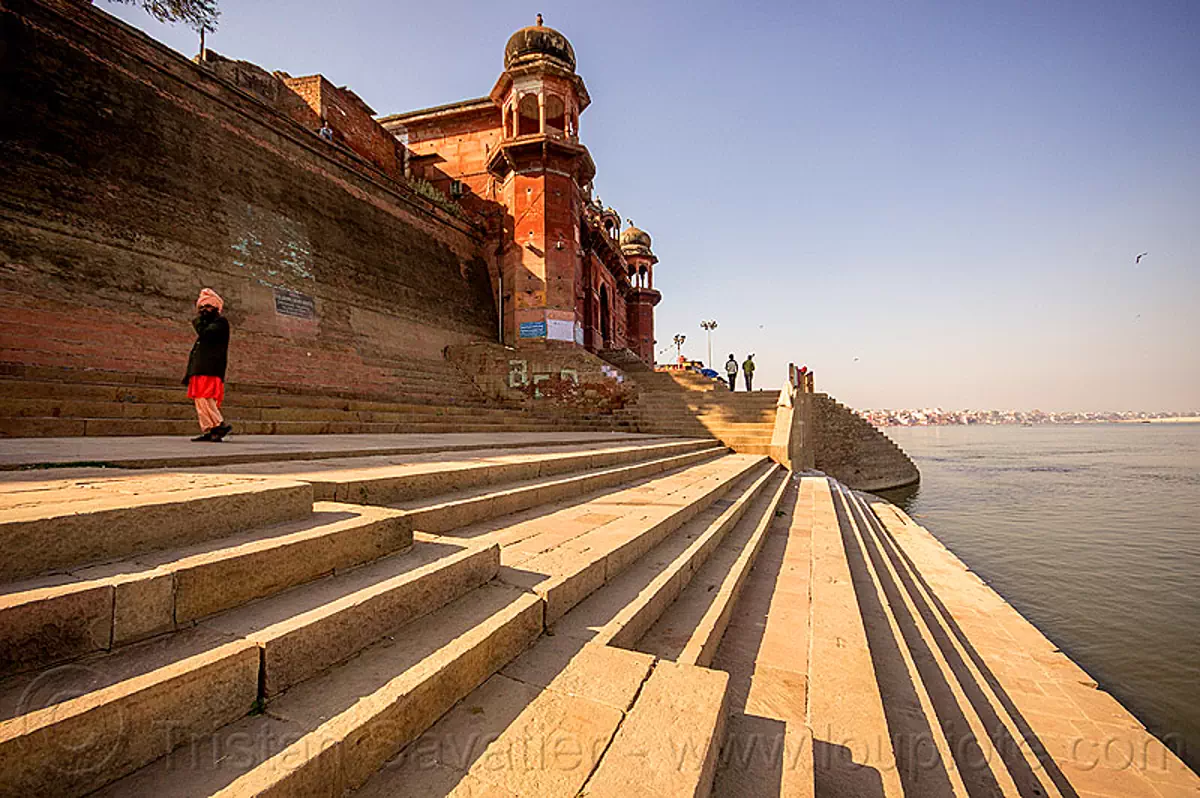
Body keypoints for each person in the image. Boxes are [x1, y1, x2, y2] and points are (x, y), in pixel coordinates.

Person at [184, 288, 232, 442]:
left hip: (210, 368)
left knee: (205, 397)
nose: (204, 310)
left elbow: (205, 333)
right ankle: (209, 429)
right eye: (202, 307)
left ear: (216, 308)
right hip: (198, 367)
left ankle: (219, 424)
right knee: (199, 399)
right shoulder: (207, 323)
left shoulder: (221, 323)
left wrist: (198, 321)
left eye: (208, 306)